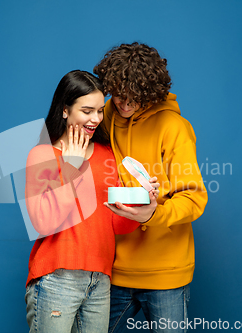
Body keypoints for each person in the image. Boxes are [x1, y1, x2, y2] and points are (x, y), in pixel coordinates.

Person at [24, 70, 159, 333]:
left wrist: (143, 203)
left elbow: (116, 222)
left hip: (100, 280)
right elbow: (43, 222)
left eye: (99, 110)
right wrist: (73, 168)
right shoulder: (42, 154)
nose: (96, 119)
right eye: (87, 111)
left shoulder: (106, 154)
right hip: (56, 279)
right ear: (65, 110)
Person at [93, 42, 208, 333]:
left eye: (134, 97)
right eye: (119, 94)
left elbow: (193, 199)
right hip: (113, 269)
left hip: (165, 274)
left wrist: (152, 214)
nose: (124, 103)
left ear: (150, 92)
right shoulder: (105, 116)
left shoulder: (174, 128)